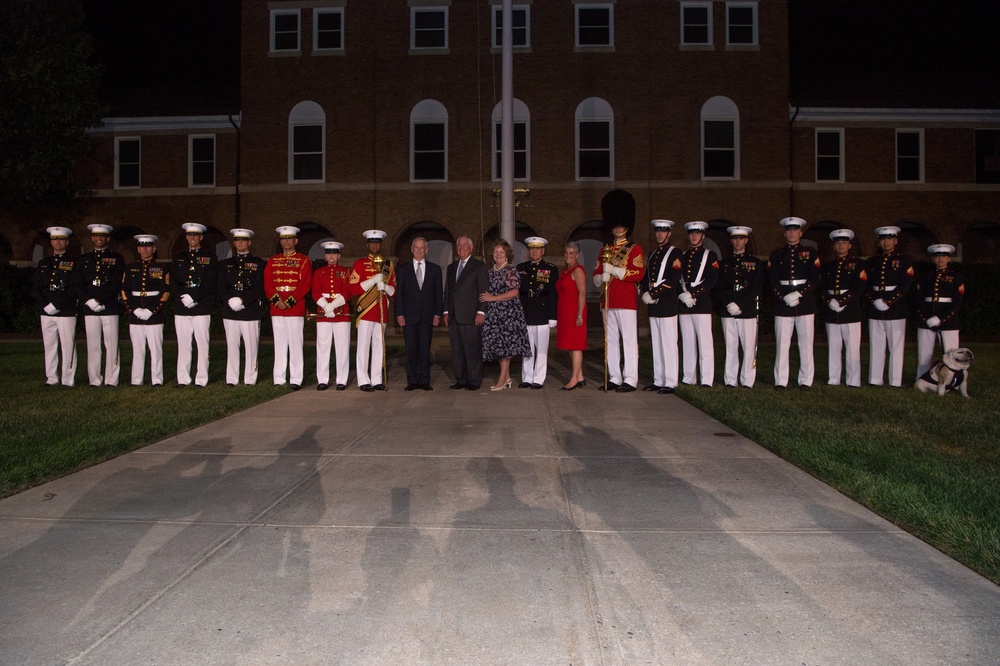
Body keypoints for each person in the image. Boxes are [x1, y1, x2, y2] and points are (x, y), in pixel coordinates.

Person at [592, 189, 644, 392]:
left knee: (629, 341)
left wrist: (615, 270)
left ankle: (630, 378)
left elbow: (638, 274)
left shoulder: (634, 249)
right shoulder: (604, 250)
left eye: (621, 224)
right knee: (610, 341)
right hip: (608, 301)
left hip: (626, 302)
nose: (617, 228)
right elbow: (596, 274)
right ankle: (614, 376)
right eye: (614, 224)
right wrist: (599, 278)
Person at [769, 216, 821, 390]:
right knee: (782, 343)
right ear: (785, 233)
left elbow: (815, 278)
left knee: (806, 344)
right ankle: (780, 380)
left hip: (804, 302)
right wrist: (784, 296)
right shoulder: (777, 254)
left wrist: (799, 293)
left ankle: (805, 380)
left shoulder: (810, 252)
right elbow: (772, 280)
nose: (792, 233)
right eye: (788, 230)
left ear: (800, 232)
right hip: (783, 303)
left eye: (795, 230)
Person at [75, 224, 124, 387]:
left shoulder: (117, 258)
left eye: (102, 236)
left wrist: (100, 300)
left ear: (107, 238)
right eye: (96, 236)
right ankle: (94, 379)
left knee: (111, 345)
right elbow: (79, 283)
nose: (98, 239)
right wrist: (89, 301)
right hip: (90, 308)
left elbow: (116, 284)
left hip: (109, 307)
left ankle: (111, 379)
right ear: (92, 238)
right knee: (93, 345)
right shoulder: (84, 260)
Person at [264, 225, 312, 389]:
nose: (286, 242)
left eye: (289, 238)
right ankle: (278, 378)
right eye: (283, 239)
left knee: (295, 344)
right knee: (279, 343)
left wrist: (289, 302)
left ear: (296, 241)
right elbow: (268, 283)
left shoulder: (304, 260)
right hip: (277, 308)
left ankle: (296, 378)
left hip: (294, 307)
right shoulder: (272, 260)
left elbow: (304, 285)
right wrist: (277, 300)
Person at [865, 225, 914, 387]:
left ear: (896, 241)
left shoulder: (904, 261)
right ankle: (875, 379)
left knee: (896, 347)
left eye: (889, 239)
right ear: (879, 242)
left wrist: (889, 300)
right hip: (875, 308)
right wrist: (874, 300)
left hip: (896, 308)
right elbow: (866, 284)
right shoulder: (872, 262)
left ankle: (895, 381)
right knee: (876, 345)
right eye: (883, 239)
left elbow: (906, 284)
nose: (886, 242)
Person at [480, 239, 532, 391]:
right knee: (499, 347)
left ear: (507, 255)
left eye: (501, 252)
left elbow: (515, 292)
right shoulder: (490, 272)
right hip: (494, 315)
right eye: (496, 252)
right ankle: (508, 378)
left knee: (505, 348)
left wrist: (493, 298)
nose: (498, 254)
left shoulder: (510, 270)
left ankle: (501, 380)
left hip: (508, 314)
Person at [348, 229, 396, 391]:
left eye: (377, 243)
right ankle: (363, 380)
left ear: (381, 245)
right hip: (366, 310)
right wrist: (372, 281)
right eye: (372, 242)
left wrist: (386, 287)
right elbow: (353, 289)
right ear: (367, 244)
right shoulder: (359, 264)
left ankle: (376, 379)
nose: (375, 245)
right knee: (363, 346)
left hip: (381, 310)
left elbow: (394, 290)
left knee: (379, 346)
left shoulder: (388, 265)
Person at [171, 222, 218, 387]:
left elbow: (210, 282)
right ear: (186, 237)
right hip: (182, 306)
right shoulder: (178, 258)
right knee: (183, 344)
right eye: (189, 235)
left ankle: (201, 378)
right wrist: (183, 297)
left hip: (201, 306)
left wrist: (194, 297)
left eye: (195, 235)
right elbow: (174, 282)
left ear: (201, 237)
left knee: (202, 344)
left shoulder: (210, 257)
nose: (192, 238)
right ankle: (183, 378)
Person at [218, 228, 266, 386]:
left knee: (251, 347)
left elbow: (259, 288)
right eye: (237, 240)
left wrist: (243, 301)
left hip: (250, 310)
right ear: (234, 243)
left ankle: (250, 378)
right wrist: (229, 300)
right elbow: (221, 286)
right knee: (232, 346)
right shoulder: (226, 264)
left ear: (249, 243)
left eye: (243, 240)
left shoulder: (259, 263)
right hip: (230, 310)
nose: (240, 243)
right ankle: (231, 378)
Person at [819, 229, 867, 387]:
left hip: (850, 310)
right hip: (831, 311)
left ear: (850, 245)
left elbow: (859, 287)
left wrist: (841, 301)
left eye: (844, 242)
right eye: (838, 243)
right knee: (833, 347)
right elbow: (822, 288)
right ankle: (834, 378)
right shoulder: (828, 266)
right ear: (834, 246)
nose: (841, 245)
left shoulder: (858, 264)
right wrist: (829, 301)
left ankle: (853, 380)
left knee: (852, 348)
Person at [718, 225, 764, 388]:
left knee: (749, 347)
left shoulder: (755, 263)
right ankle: (730, 380)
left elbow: (757, 287)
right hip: (728, 309)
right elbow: (719, 287)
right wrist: (729, 303)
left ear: (746, 240)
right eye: (735, 239)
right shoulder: (724, 263)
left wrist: (740, 304)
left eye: (741, 239)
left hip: (747, 310)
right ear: (731, 241)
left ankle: (747, 380)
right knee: (731, 346)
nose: (738, 242)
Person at [394, 236, 442, 391]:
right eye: (416, 247)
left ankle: (424, 381)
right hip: (409, 317)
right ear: (412, 249)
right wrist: (399, 314)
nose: (419, 250)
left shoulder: (435, 269)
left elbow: (437, 294)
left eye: (422, 248)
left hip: (427, 316)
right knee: (411, 349)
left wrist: (437, 314)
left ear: (426, 250)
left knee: (424, 349)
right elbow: (399, 294)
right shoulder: (402, 269)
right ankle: (412, 380)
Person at [640, 219, 683, 394]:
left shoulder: (675, 253)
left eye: (663, 231)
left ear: (669, 233)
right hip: (654, 306)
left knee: (669, 344)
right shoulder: (652, 254)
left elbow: (672, 279)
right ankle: (658, 379)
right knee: (657, 344)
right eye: (658, 231)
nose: (660, 234)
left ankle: (671, 381)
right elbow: (646, 277)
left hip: (666, 305)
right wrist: (644, 292)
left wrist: (654, 293)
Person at [122, 234, 170, 386]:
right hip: (135, 314)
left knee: (155, 349)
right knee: (137, 350)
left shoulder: (162, 268)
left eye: (148, 246)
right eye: (142, 246)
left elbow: (165, 291)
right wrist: (134, 309)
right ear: (138, 249)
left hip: (154, 314)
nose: (145, 249)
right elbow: (125, 291)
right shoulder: (130, 268)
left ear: (154, 249)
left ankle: (157, 379)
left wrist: (151, 310)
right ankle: (136, 380)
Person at [444, 235, 490, 390]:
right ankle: (461, 379)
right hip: (454, 317)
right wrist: (446, 311)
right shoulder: (451, 267)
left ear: (471, 248)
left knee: (472, 350)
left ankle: (474, 380)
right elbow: (448, 291)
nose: (461, 247)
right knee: (457, 350)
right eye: (459, 245)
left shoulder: (479, 266)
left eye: (465, 245)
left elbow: (483, 291)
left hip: (471, 316)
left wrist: (481, 312)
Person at [34, 226, 78, 387]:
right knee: (49, 346)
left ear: (66, 242)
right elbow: (37, 287)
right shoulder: (44, 263)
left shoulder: (74, 262)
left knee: (68, 346)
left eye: (60, 239)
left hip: (65, 310)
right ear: (51, 242)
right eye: (54, 239)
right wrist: (45, 305)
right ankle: (51, 378)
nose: (57, 242)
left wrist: (57, 304)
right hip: (46, 311)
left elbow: (75, 288)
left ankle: (68, 379)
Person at [677, 221, 719, 387]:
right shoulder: (684, 256)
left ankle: (707, 379)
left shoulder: (710, 256)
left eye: (697, 233)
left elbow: (712, 280)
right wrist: (683, 295)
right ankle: (689, 377)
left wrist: (693, 293)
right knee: (687, 343)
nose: (694, 236)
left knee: (705, 343)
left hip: (701, 304)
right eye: (691, 233)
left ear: (703, 236)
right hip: (684, 305)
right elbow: (678, 279)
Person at [915, 243, 964, 378]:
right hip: (926, 319)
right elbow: (919, 300)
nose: (940, 259)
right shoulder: (925, 276)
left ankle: (953, 381)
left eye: (944, 256)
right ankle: (923, 379)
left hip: (948, 321)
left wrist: (940, 318)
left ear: (949, 259)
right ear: (933, 259)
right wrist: (926, 318)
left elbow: (957, 302)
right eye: (937, 256)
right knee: (924, 354)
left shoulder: (956, 276)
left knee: (951, 354)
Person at [516, 236, 558, 389]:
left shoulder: (550, 268)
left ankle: (538, 379)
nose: (534, 251)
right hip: (526, 312)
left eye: (537, 249)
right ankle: (526, 377)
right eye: (532, 249)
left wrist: (553, 316)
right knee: (527, 348)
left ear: (543, 251)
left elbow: (553, 293)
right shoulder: (521, 268)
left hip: (542, 313)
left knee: (541, 349)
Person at [312, 241, 352, 391]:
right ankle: (322, 379)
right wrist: (325, 306)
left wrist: (333, 306)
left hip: (341, 312)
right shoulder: (318, 272)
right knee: (323, 347)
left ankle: (342, 379)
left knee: (342, 347)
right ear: (325, 255)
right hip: (323, 313)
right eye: (328, 253)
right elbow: (315, 291)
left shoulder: (346, 271)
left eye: (334, 253)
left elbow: (347, 291)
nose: (331, 256)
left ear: (339, 255)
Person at [556, 242, 588, 390]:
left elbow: (582, 293)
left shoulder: (578, 271)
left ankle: (574, 378)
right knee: (570, 345)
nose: (568, 255)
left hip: (575, 312)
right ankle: (580, 376)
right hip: (565, 312)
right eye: (566, 253)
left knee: (576, 346)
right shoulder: (565, 270)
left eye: (571, 253)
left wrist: (580, 315)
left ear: (577, 255)